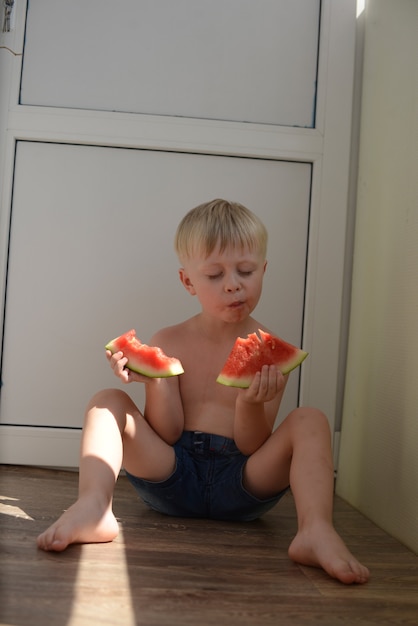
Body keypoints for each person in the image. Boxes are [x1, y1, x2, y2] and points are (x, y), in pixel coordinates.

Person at [37, 199, 369, 585]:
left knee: (310, 419)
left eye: (246, 271)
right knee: (107, 400)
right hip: (171, 475)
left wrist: (249, 403)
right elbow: (167, 433)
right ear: (188, 282)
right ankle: (93, 508)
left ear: (263, 271)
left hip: (242, 482)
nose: (233, 283)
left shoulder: (267, 351)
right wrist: (159, 381)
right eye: (214, 274)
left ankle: (315, 530)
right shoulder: (169, 340)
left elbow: (252, 444)